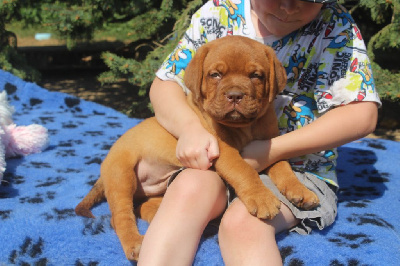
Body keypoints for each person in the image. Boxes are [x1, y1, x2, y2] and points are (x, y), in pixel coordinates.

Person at [138, 0, 381, 265]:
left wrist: (273, 151)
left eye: (308, 0)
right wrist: (189, 128)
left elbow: (363, 115)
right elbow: (165, 84)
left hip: (300, 171)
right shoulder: (219, 11)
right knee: (188, 189)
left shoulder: (335, 27)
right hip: (217, 160)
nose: (288, 7)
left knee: (245, 223)